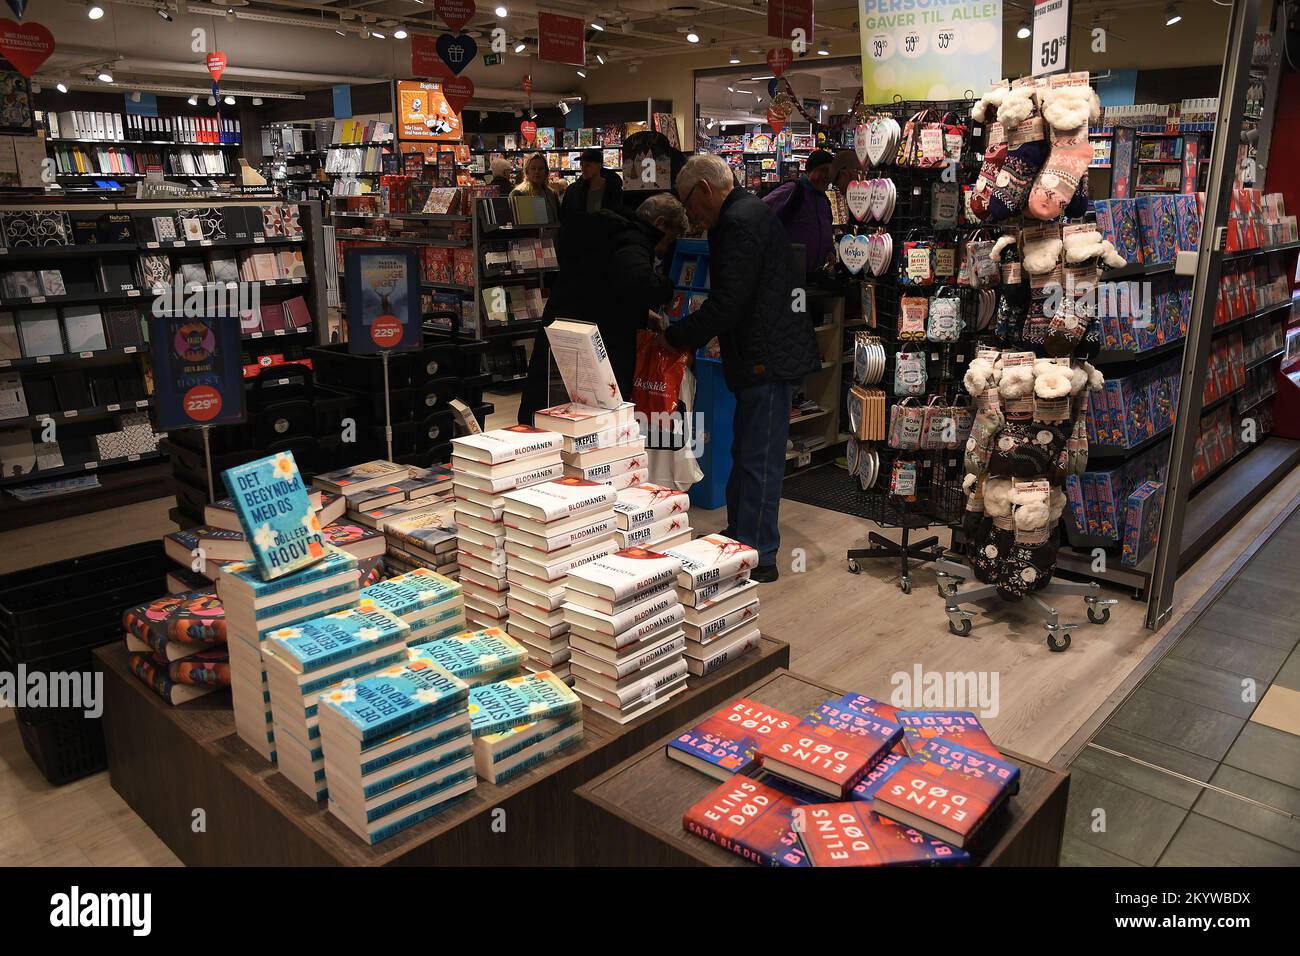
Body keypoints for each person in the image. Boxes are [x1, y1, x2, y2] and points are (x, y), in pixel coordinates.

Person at [664, 154, 820, 582]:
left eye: (688, 202)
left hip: (765, 357)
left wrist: (679, 335)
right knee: (748, 453)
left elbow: (729, 303)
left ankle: (760, 554)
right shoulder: (747, 212)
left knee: (759, 458)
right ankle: (744, 537)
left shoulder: (737, 221)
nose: (690, 213)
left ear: (704, 191)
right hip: (763, 353)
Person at [518, 193, 689, 424]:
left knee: (550, 407)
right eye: (669, 240)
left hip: (563, 328)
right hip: (600, 341)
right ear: (658, 224)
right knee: (596, 417)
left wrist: (643, 313)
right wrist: (667, 288)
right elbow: (638, 282)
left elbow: (602, 281)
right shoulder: (633, 240)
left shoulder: (603, 231)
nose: (664, 250)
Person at [762, 149, 835, 277]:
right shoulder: (793, 190)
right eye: (823, 170)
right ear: (810, 170)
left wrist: (830, 251)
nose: (827, 176)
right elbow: (759, 211)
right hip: (788, 277)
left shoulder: (824, 200)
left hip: (815, 277)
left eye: (830, 171)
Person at [559, 148, 624, 221]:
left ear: (599, 166)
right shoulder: (573, 190)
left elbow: (619, 215)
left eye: (588, 165)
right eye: (582, 165)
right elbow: (565, 216)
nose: (583, 169)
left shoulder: (614, 189)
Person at [510, 152, 560, 222]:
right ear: (527, 171)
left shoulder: (552, 193)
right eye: (533, 168)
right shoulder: (518, 193)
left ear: (546, 171)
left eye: (540, 168)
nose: (537, 172)